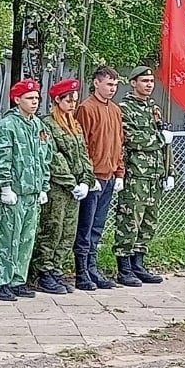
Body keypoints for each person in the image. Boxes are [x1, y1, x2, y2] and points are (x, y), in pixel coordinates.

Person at [0, 78, 51, 301]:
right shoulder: (7, 126)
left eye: (36, 98)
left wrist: (43, 185)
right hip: (14, 191)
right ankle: (0, 281)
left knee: (26, 239)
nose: (34, 102)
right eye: (29, 98)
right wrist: (4, 186)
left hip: (32, 191)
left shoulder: (37, 125)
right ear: (17, 100)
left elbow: (44, 156)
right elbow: (0, 158)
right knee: (7, 238)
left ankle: (17, 280)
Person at [32, 78, 95, 294]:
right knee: (53, 228)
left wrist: (87, 179)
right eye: (68, 101)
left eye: (74, 101)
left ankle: (57, 269)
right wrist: (71, 182)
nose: (72, 105)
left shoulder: (74, 124)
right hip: (58, 187)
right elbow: (54, 158)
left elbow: (83, 153)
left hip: (75, 188)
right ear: (57, 100)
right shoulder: (47, 124)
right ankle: (44, 271)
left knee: (68, 231)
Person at [113, 66, 173, 285]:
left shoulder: (153, 108)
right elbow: (131, 138)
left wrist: (169, 172)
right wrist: (159, 139)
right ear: (133, 83)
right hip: (135, 174)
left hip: (153, 176)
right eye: (144, 81)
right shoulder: (124, 108)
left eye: (151, 81)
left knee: (148, 222)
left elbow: (166, 146)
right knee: (130, 220)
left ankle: (138, 264)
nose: (149, 85)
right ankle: (124, 268)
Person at [73, 65, 125, 291]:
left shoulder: (114, 110)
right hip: (93, 176)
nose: (112, 88)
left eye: (115, 84)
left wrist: (119, 172)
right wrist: (86, 175)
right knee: (85, 226)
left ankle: (92, 267)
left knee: (98, 225)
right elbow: (81, 144)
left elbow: (119, 143)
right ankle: (82, 271)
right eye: (108, 84)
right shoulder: (86, 108)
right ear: (96, 83)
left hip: (109, 175)